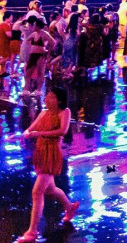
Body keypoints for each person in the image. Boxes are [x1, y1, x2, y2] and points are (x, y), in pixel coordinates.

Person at [18, 86, 80, 242]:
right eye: (47, 96)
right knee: (51, 190)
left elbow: (62, 131)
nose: (46, 99)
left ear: (59, 100)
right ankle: (70, 207)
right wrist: (23, 135)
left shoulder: (64, 112)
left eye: (51, 96)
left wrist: (39, 133)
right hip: (40, 152)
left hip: (51, 154)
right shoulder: (43, 113)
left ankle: (32, 232)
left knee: (37, 192)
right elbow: (31, 129)